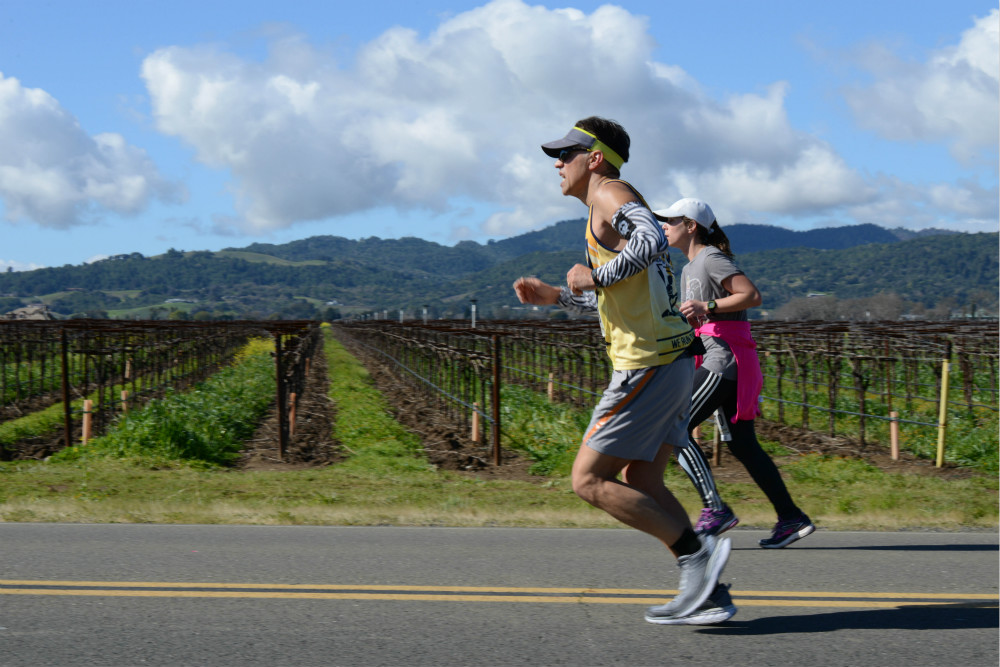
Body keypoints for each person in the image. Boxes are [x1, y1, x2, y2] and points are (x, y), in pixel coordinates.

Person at [513, 117, 732, 625]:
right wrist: (559, 296)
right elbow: (623, 291)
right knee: (641, 477)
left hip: (647, 366)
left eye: (566, 155)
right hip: (674, 361)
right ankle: (709, 592)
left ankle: (697, 553)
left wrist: (593, 279)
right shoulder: (605, 206)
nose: (556, 164)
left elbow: (652, 237)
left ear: (594, 159)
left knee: (588, 480)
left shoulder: (610, 193)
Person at [654, 197, 815, 548]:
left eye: (670, 219)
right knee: (743, 445)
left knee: (673, 426)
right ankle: (790, 518)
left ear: (691, 225)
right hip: (720, 358)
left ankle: (716, 509)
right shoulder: (688, 268)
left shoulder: (711, 258)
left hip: (722, 359)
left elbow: (751, 295)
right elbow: (710, 314)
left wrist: (706, 306)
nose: (663, 224)